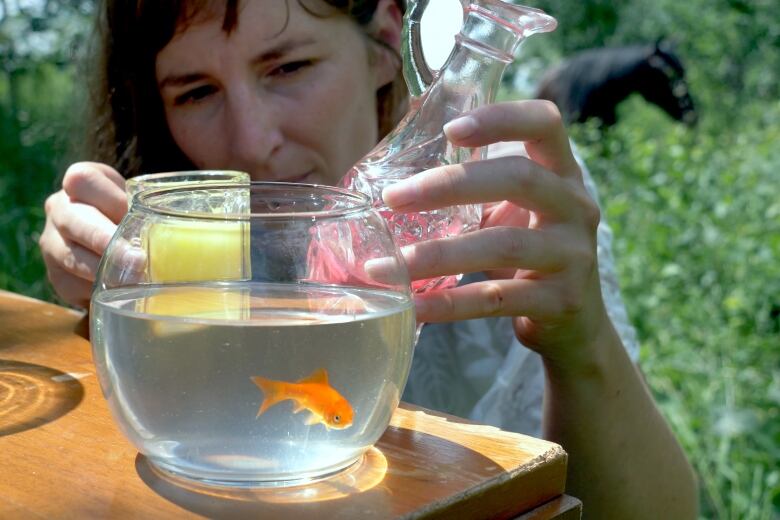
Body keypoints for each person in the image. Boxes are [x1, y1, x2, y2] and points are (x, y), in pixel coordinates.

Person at [38, 0, 698, 517]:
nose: (252, 140)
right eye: (195, 92)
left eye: (288, 67)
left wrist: (579, 343)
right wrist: (101, 269)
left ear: (385, 41)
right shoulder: (180, 237)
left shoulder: (506, 204)